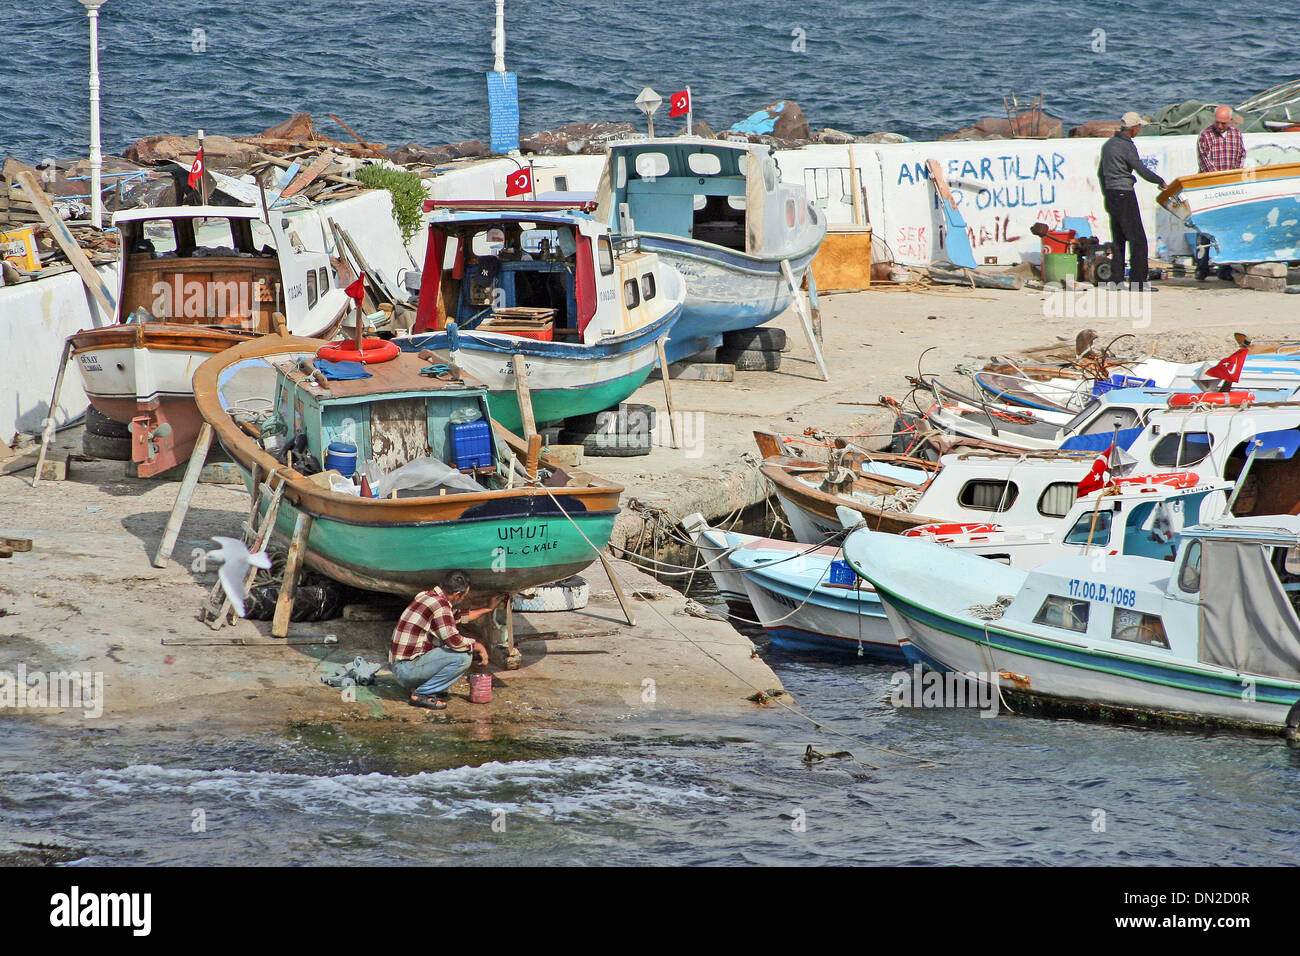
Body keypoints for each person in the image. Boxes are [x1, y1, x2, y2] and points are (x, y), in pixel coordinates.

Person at [388, 570, 499, 709]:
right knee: (463, 657)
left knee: (454, 651)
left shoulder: (427, 596)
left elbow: (457, 616)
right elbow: (454, 641)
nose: (464, 598)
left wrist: (488, 609)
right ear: (457, 594)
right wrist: (479, 647)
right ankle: (421, 694)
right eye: (464, 595)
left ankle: (421, 687)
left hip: (401, 667)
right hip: (406, 671)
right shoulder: (440, 606)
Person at [1097, 111, 1167, 291]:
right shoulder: (1126, 146)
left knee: (1119, 239)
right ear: (1133, 128)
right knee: (1138, 240)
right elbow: (1141, 170)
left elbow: (1100, 173)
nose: (1139, 130)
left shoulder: (1108, 145)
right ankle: (1138, 283)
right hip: (1124, 194)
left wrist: (1107, 193)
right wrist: (1160, 181)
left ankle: (1116, 280)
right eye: (1138, 127)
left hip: (1111, 194)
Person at [1194, 106, 1246, 280]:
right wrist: (1219, 181)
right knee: (1204, 229)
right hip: (1210, 188)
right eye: (1217, 122)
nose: (1220, 126)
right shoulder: (1205, 136)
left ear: (1230, 121)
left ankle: (1224, 268)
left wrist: (1234, 179)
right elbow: (1205, 162)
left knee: (1228, 228)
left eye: (1223, 123)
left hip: (1231, 188)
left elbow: (1241, 156)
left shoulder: (1236, 135)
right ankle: (1201, 267)